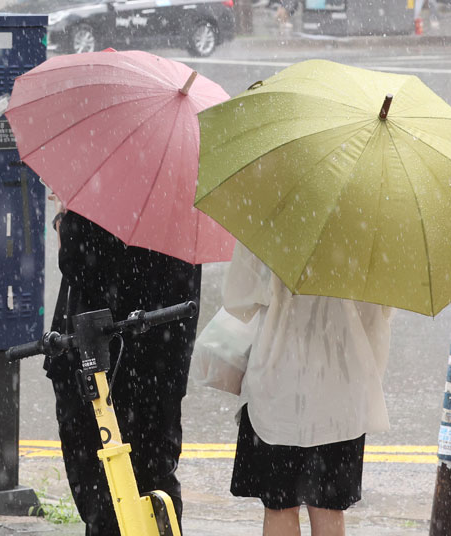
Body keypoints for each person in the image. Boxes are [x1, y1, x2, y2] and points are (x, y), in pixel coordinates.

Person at [44, 209, 201, 535]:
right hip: (162, 361)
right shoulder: (183, 194)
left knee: (105, 487)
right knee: (154, 482)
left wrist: (63, 220)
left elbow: (79, 264)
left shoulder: (104, 190)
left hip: (101, 360)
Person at [223, 243, 392, 536]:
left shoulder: (271, 210)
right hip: (340, 388)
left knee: (279, 507)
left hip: (277, 384)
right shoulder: (367, 218)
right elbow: (380, 312)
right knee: (328, 508)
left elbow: (239, 299)